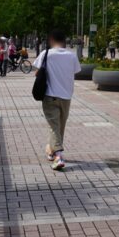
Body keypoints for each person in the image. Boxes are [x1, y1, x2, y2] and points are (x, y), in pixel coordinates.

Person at [34, 29, 81, 171]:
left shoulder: (46, 54)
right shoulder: (71, 56)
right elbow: (75, 71)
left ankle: (58, 155)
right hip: (66, 97)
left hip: (50, 96)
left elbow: (37, 72)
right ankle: (51, 150)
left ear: (52, 40)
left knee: (54, 127)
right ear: (64, 40)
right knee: (59, 127)